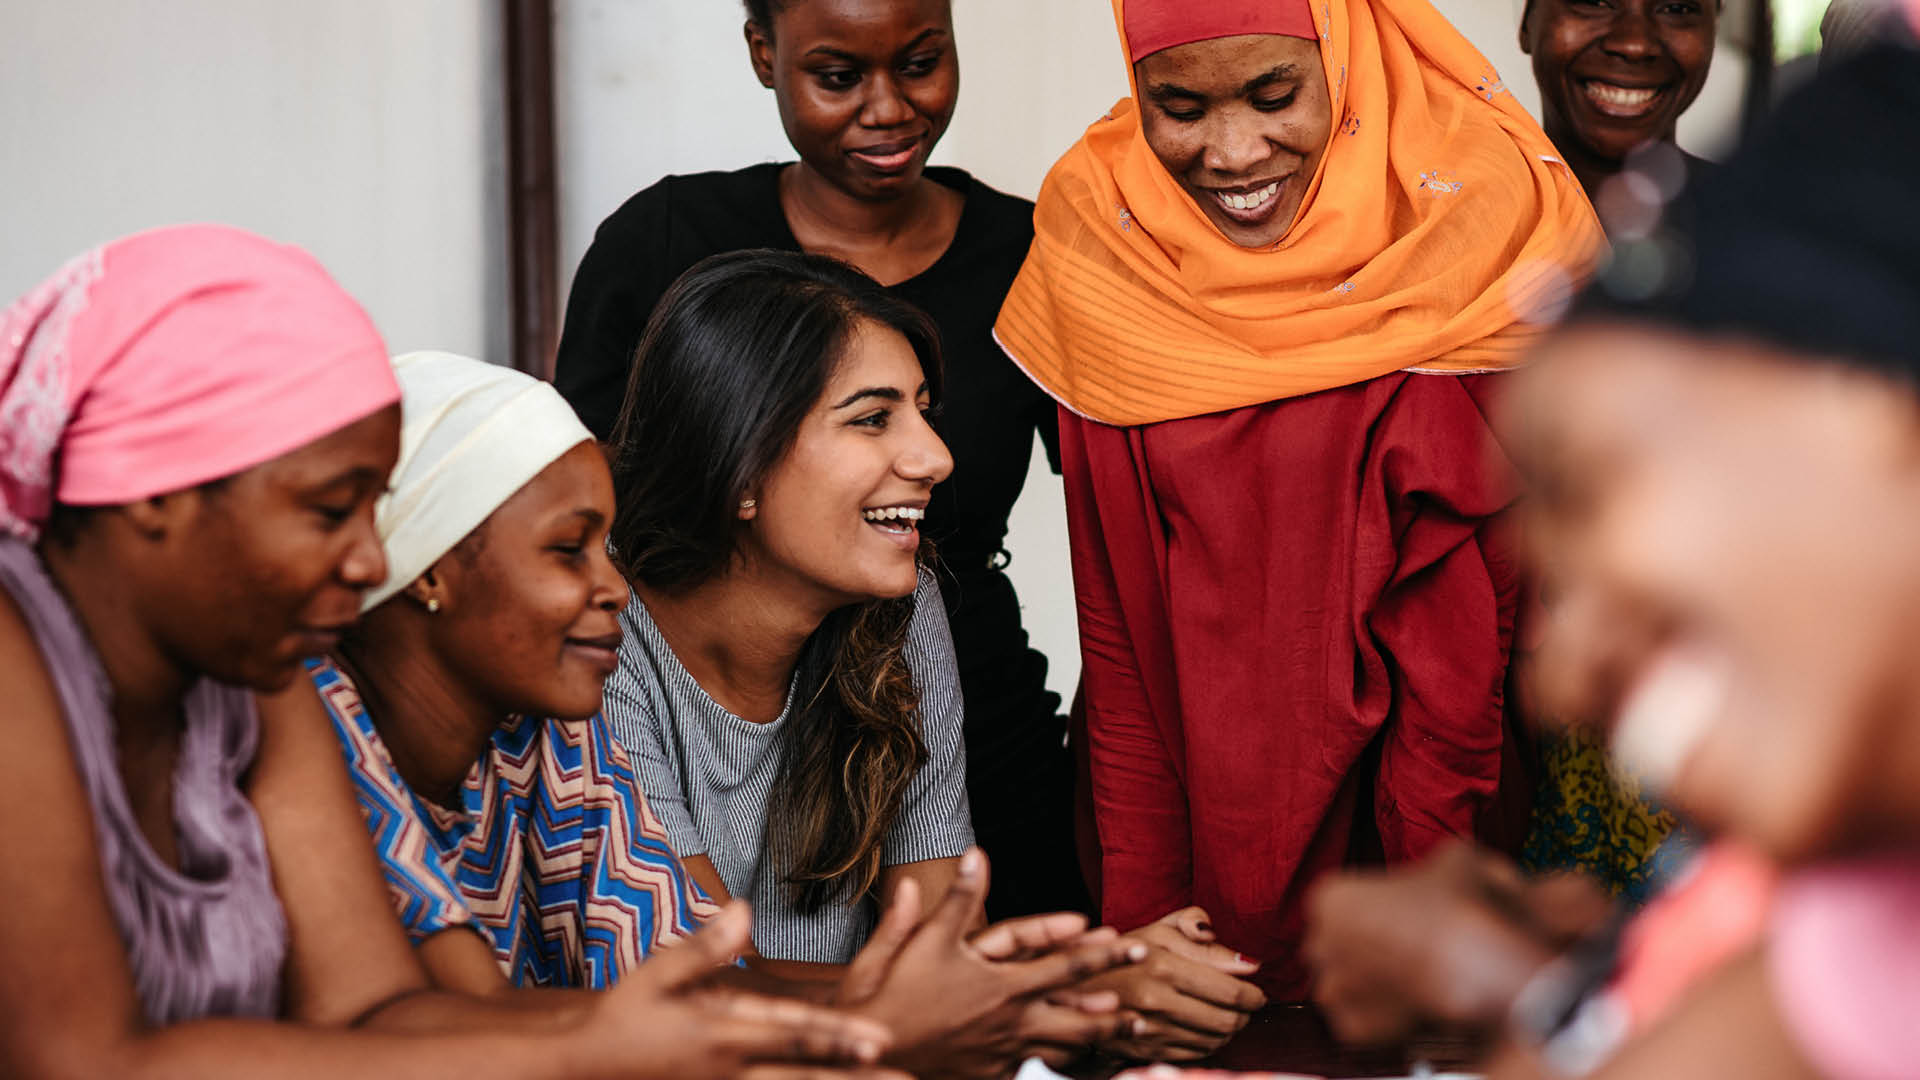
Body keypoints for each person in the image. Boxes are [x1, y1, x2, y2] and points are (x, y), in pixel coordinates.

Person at [0, 224, 895, 1079]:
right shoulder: (22, 654)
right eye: (329, 510)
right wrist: (595, 1052)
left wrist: (850, 1022)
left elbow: (376, 1012)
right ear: (156, 490)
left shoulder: (255, 679)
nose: (369, 559)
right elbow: (76, 1064)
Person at [1313, 40, 1920, 1080]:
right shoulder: (1858, 904)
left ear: (1873, 409)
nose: (1558, 680)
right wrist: (1545, 994)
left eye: (1583, 489)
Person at [994, 0, 1605, 1011]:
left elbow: (1466, 652)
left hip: (1428, 845)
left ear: (1347, 53)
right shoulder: (1102, 238)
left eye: (1275, 95)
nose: (1233, 152)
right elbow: (1118, 627)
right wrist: (1146, 919)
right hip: (1188, 817)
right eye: (1178, 108)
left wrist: (1431, 925)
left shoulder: (1466, 223)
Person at [320, 348, 1139, 1078]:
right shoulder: (321, 729)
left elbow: (684, 970)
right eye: (569, 551)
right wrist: (888, 1026)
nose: (612, 588)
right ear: (428, 571)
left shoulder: (550, 737)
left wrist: (1011, 998)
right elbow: (466, 1018)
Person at [554, 0, 1087, 923]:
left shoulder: (1031, 259)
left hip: (944, 705)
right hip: (716, 692)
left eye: (920, 62)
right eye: (839, 76)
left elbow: (1128, 521)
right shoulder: (662, 243)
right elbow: (575, 506)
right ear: (765, 53)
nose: (888, 108)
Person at [1518, 0, 1717, 198]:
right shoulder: (1498, 210)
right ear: (1528, 22)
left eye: (1677, 9)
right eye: (1595, 3)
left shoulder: (1736, 209)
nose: (1635, 46)